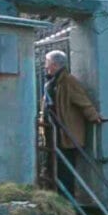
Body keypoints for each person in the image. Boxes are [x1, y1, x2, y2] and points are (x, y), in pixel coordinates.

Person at [39, 48, 102, 189]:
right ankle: (52, 197)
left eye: (47, 63)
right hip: (53, 132)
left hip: (65, 134)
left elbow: (82, 100)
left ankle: (66, 200)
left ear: (55, 65)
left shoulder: (67, 81)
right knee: (50, 165)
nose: (45, 66)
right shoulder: (52, 82)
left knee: (64, 169)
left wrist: (94, 116)